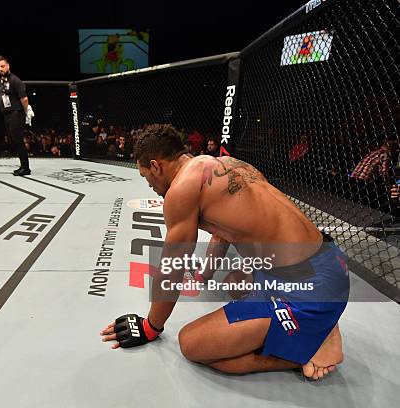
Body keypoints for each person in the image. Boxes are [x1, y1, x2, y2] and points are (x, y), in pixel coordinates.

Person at [100, 124, 349, 381]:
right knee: (234, 283)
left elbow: (173, 264)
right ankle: (321, 325)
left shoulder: (181, 190)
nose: (149, 185)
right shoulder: (229, 164)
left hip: (306, 288)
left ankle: (303, 352)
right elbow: (223, 232)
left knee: (193, 344)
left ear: (156, 166)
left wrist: (151, 326)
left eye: (145, 176)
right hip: (330, 265)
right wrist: (204, 275)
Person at [0, 55, 30, 176]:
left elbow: (24, 98)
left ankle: (26, 168)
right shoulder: (2, 80)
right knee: (15, 141)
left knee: (18, 141)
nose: (0, 69)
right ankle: (23, 166)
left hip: (16, 113)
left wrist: (26, 112)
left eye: (2, 66)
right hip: (8, 114)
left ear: (8, 65)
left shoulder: (15, 80)